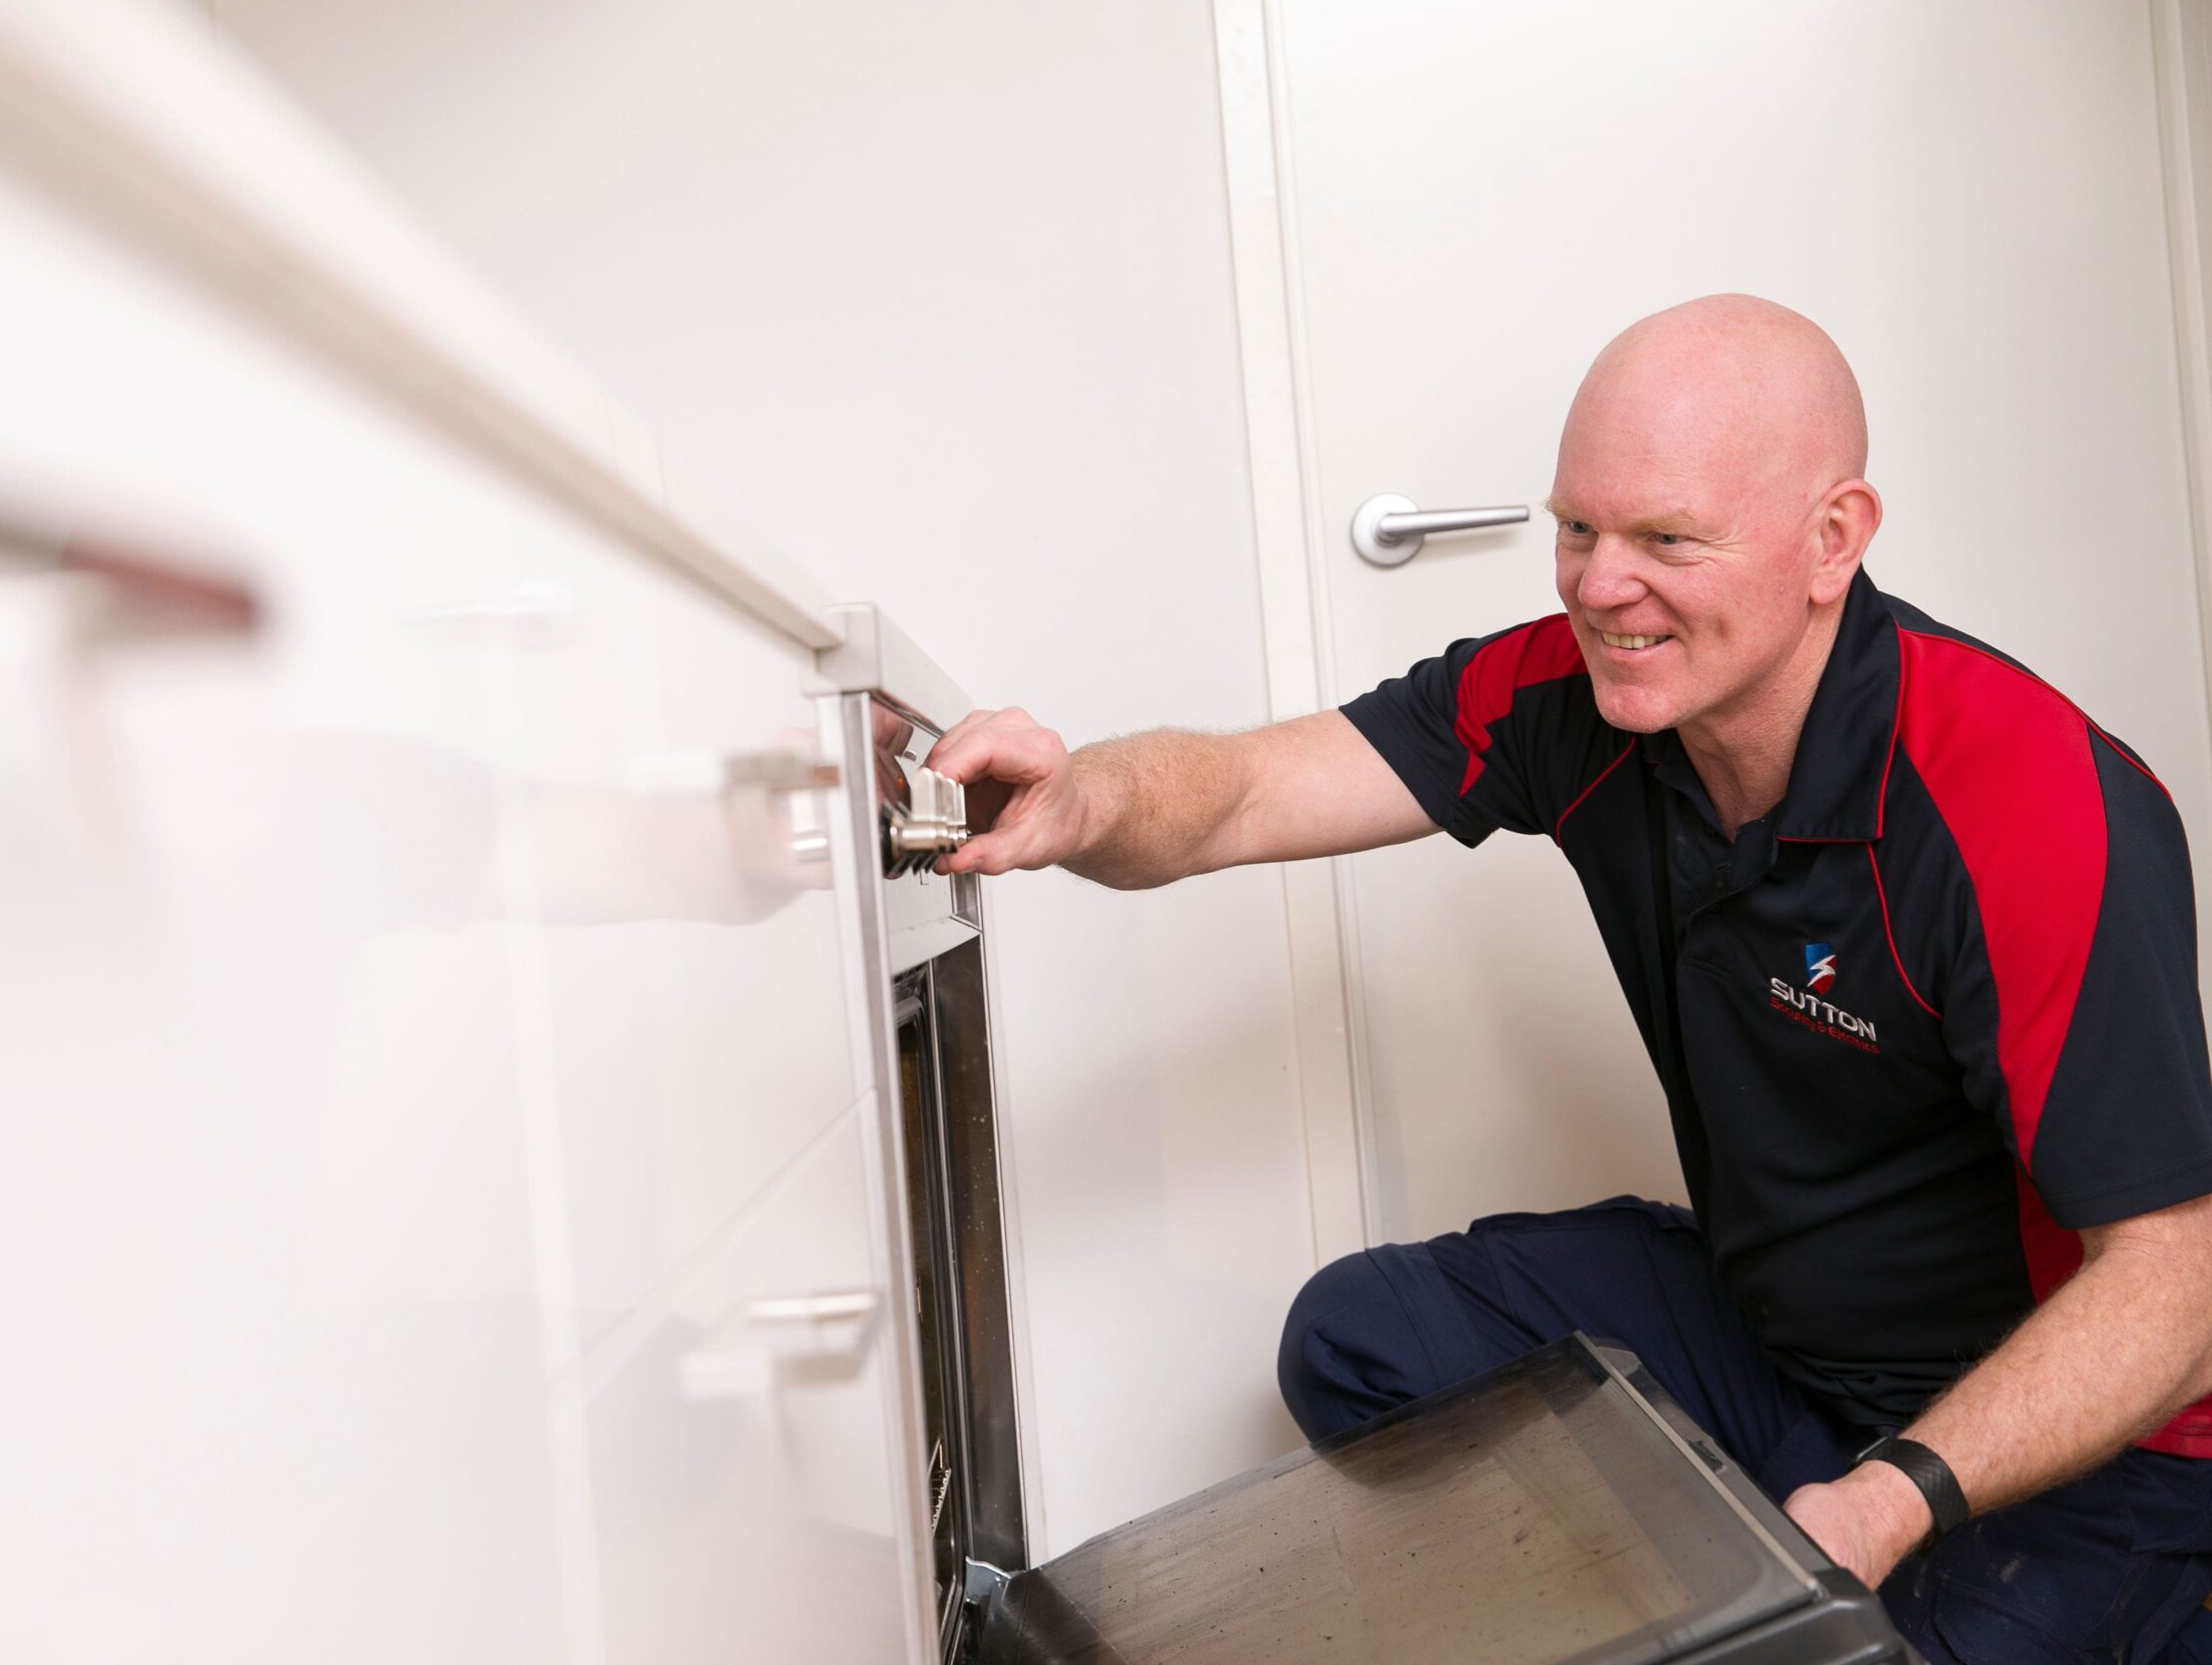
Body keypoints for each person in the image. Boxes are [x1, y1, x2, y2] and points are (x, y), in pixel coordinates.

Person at [923, 295, 2212, 1664]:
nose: (1600, 587)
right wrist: (1081, 801)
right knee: (1362, 1341)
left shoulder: (2029, 801)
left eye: (1667, 540)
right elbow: (1241, 795)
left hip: (2077, 1453)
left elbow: (2180, 1286)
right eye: (1578, 528)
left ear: (1833, 540)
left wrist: (1891, 1500)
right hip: (1786, 1354)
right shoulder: (1578, 699)